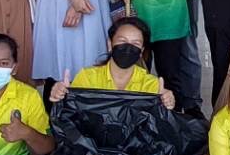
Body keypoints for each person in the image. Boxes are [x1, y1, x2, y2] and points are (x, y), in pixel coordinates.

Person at [49, 16, 178, 109]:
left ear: (141, 51)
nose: (128, 47)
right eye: (122, 41)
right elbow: (71, 114)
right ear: (110, 44)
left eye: (135, 43)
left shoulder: (151, 85)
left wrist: (166, 103)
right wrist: (61, 97)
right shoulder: (87, 77)